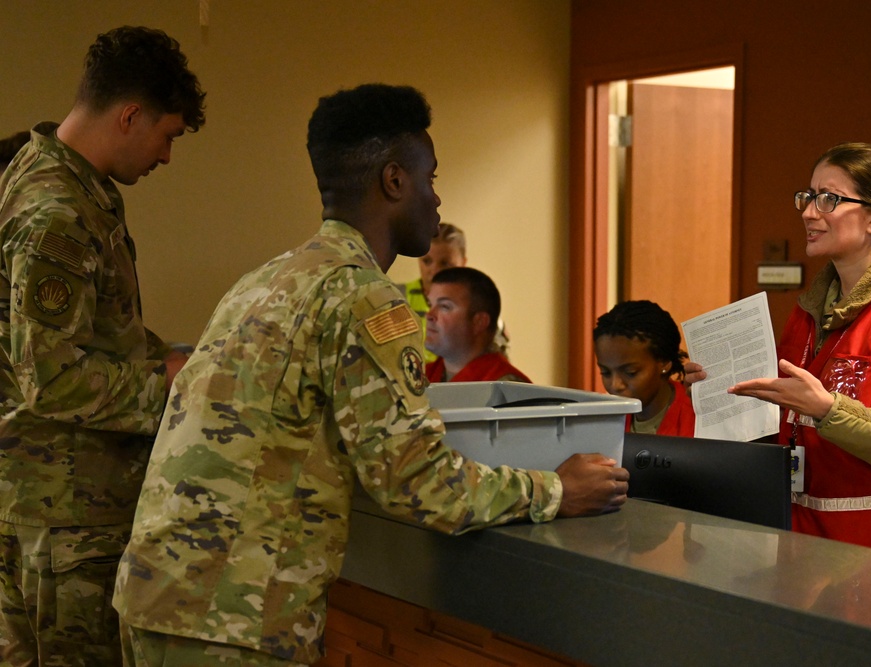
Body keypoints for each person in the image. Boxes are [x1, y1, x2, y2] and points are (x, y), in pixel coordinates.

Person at [113, 83, 628, 666]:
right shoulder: (365, 297)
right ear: (393, 181)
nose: (436, 201)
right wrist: (558, 488)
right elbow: (418, 482)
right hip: (236, 616)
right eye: (430, 178)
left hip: (158, 598)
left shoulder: (263, 280)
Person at [0, 26, 205, 666]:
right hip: (65, 511)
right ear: (128, 115)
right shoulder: (56, 209)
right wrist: (168, 387)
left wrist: (163, 353)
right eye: (167, 135)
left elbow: (96, 329)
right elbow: (53, 378)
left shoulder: (60, 180)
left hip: (45, 503)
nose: (167, 156)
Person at [701, 142, 871, 551]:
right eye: (808, 197)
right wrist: (719, 386)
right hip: (803, 542)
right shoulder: (810, 311)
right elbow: (787, 428)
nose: (810, 212)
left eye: (829, 199)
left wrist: (828, 410)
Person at [400, 222, 510, 362]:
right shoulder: (397, 299)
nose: (434, 271)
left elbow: (497, 365)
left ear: (463, 263)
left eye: (445, 263)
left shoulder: (479, 305)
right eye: (426, 261)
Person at [593, 300, 694, 436]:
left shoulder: (695, 418)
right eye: (605, 373)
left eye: (630, 373)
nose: (615, 385)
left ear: (664, 362)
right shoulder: (601, 422)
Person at [424, 266, 530, 382]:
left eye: (445, 306)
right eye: (430, 304)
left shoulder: (506, 387)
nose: (429, 315)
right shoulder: (421, 377)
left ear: (479, 322)